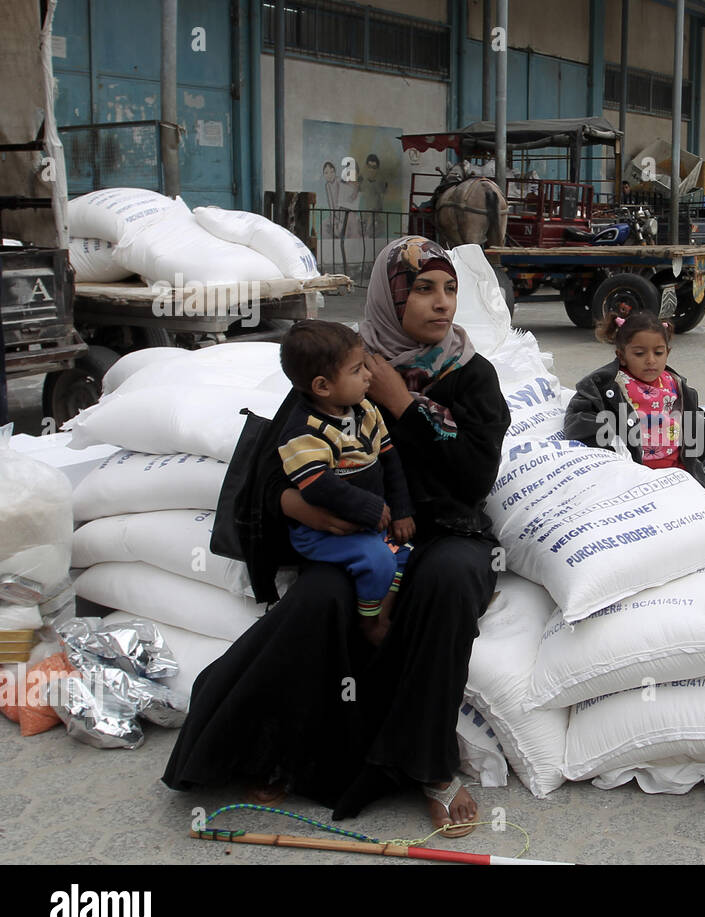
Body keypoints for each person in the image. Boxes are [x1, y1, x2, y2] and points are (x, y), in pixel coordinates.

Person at [163, 236, 511, 837]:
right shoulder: (344, 364)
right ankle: (283, 752)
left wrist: (403, 404)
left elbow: (475, 475)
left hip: (445, 532)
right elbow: (287, 452)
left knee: (447, 583)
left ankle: (427, 765)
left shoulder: (471, 374)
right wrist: (293, 501)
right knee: (319, 599)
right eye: (423, 288)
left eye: (450, 288)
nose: (441, 303)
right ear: (389, 295)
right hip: (359, 536)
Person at [276, 321, 414, 646]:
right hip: (323, 532)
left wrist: (402, 511)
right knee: (378, 560)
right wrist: (369, 508)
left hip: (369, 524)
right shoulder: (303, 432)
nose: (369, 376)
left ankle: (380, 611)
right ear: (323, 386)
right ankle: (369, 624)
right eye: (357, 370)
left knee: (404, 554)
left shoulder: (365, 411)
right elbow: (317, 485)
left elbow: (390, 460)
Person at [565, 309, 705, 492]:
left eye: (658, 353)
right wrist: (609, 454)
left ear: (668, 352)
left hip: (678, 469)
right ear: (622, 356)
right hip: (637, 475)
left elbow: (688, 422)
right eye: (640, 354)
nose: (651, 360)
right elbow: (580, 416)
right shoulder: (609, 386)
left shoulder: (673, 383)